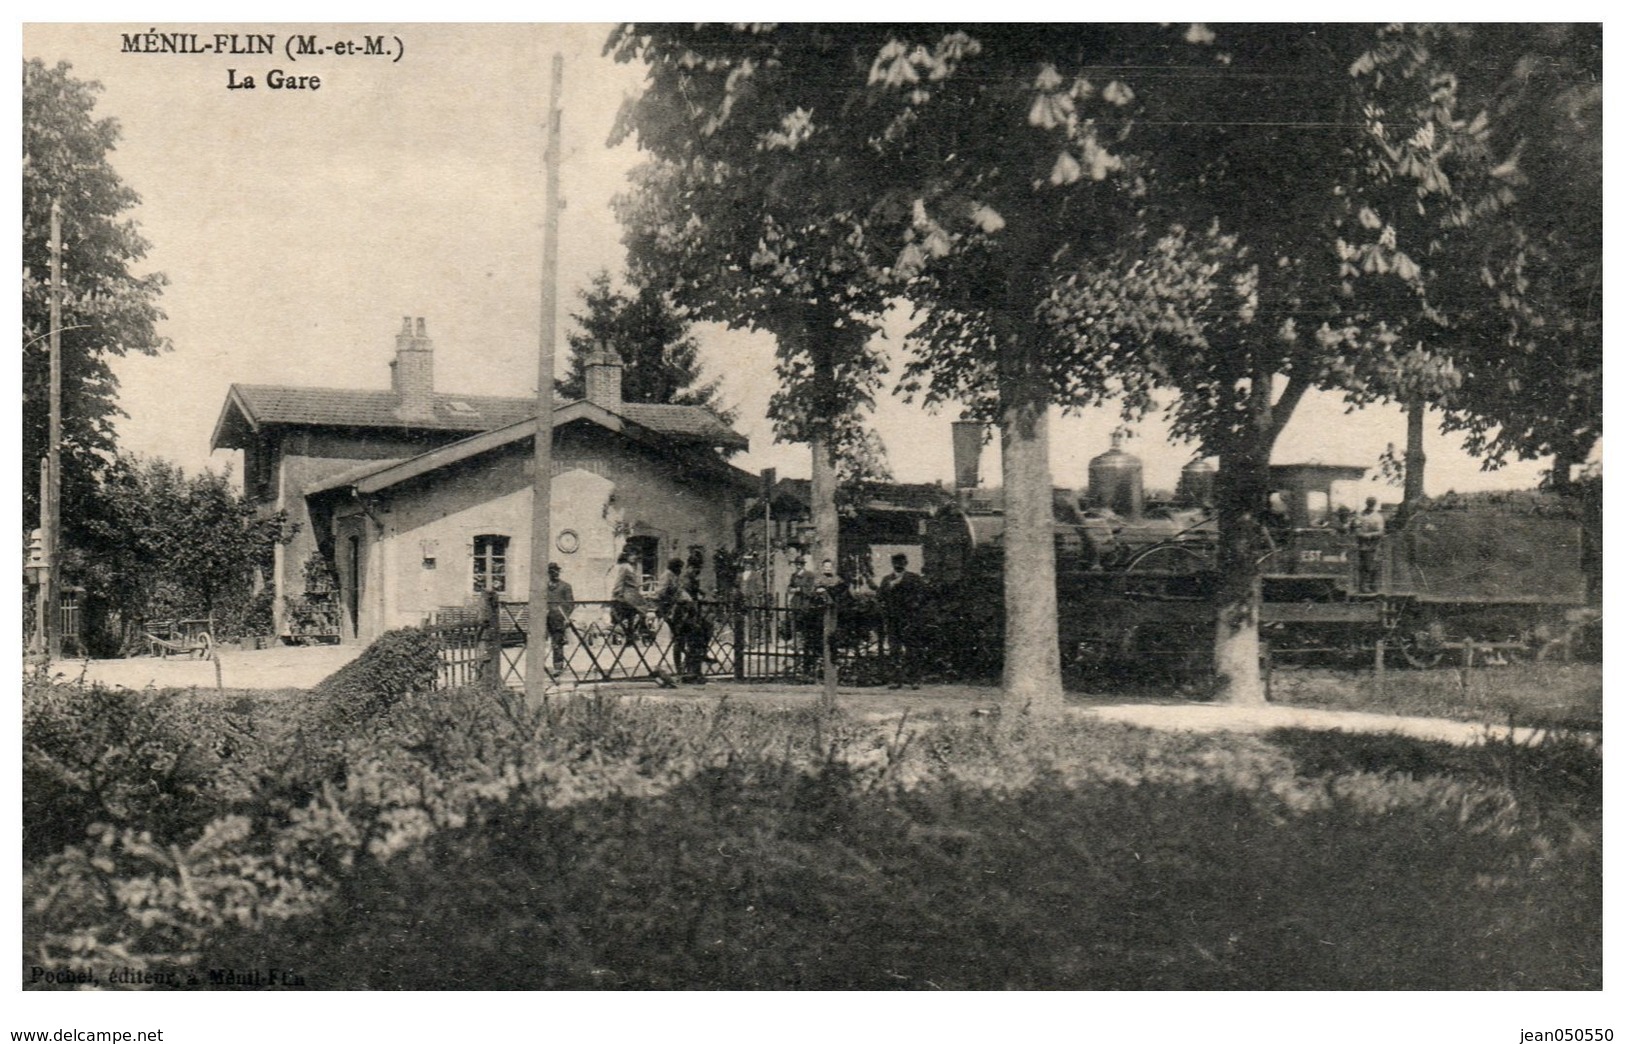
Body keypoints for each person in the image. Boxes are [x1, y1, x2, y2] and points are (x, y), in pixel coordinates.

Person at [878, 552, 926, 689]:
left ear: (906, 563)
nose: (898, 564)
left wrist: (914, 607)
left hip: (909, 619)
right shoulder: (887, 580)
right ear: (892, 564)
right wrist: (892, 586)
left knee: (912, 649)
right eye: (895, 562)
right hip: (893, 619)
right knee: (894, 649)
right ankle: (895, 680)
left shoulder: (914, 578)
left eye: (901, 562)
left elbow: (922, 596)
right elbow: (880, 596)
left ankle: (914, 680)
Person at [654, 557, 701, 684]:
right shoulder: (667, 576)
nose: (680, 570)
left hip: (681, 611)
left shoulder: (674, 576)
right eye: (679, 567)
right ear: (674, 567)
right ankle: (680, 670)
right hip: (673, 611)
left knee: (683, 638)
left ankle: (685, 669)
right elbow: (660, 593)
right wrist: (671, 602)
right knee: (679, 640)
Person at [786, 554, 823, 679]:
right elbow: (790, 587)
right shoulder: (794, 575)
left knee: (803, 624)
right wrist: (792, 589)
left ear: (803, 565)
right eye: (796, 563)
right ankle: (795, 644)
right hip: (795, 602)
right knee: (794, 623)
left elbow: (809, 589)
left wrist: (798, 589)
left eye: (800, 563)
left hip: (804, 602)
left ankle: (803, 644)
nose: (798, 565)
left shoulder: (809, 575)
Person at [608, 550, 644, 646]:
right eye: (632, 554)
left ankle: (630, 637)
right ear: (626, 556)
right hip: (627, 597)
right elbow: (619, 582)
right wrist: (616, 594)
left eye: (635, 555)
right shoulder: (625, 567)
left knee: (631, 617)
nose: (634, 557)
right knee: (641, 611)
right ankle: (630, 635)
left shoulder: (631, 567)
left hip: (632, 596)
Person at [545, 562, 575, 675]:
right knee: (540, 643)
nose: (554, 573)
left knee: (557, 643)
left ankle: (557, 667)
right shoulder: (543, 587)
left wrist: (565, 616)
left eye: (556, 571)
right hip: (544, 618)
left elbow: (570, 604)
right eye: (551, 571)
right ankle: (538, 666)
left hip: (558, 619)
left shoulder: (566, 586)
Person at [1356, 496, 1386, 592]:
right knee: (1364, 565)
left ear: (1375, 504)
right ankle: (1363, 586)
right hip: (1361, 544)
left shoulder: (1378, 517)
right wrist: (1361, 534)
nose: (1370, 504)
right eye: (1369, 502)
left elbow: (1380, 531)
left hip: (1373, 544)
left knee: (1373, 565)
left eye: (1372, 503)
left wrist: (1369, 535)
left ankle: (1373, 586)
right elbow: (1357, 528)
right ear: (1366, 503)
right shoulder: (1360, 515)